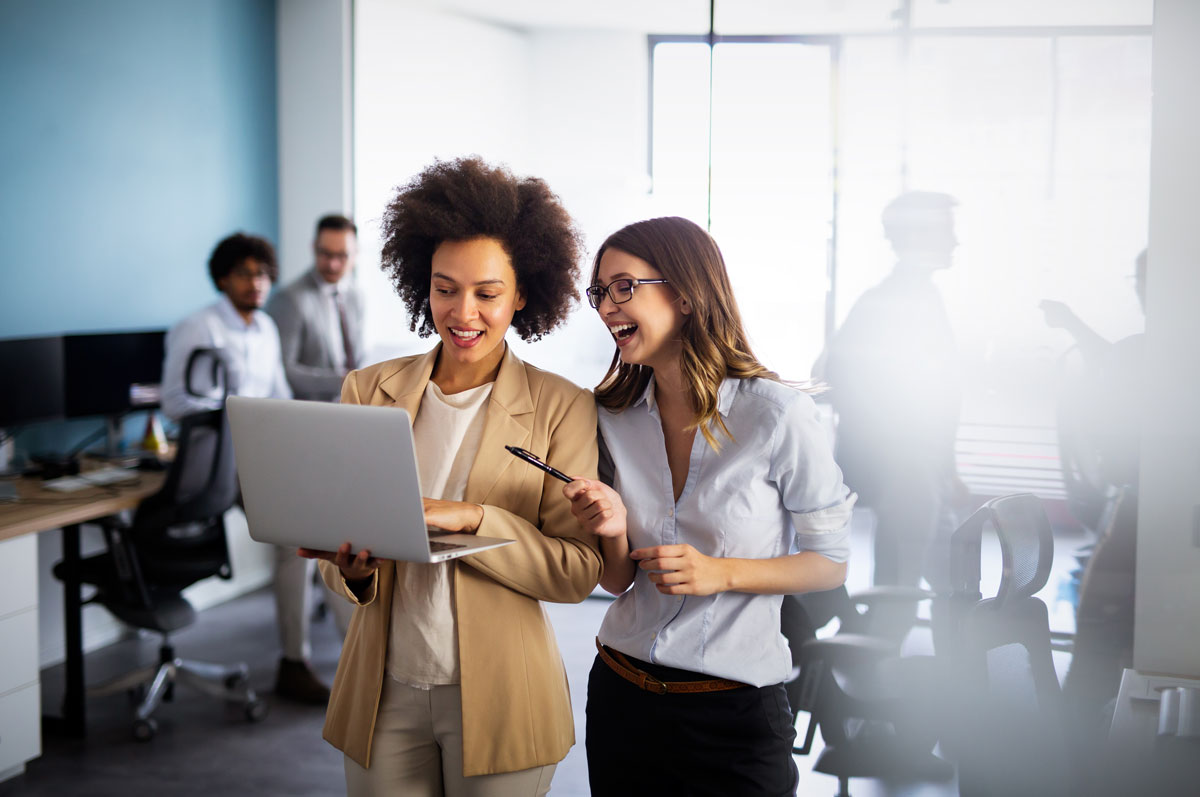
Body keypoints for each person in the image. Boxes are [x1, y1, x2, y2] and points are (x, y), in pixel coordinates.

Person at [298, 157, 602, 797]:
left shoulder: (561, 405)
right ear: (421, 285)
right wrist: (350, 570)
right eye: (444, 288)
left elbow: (577, 571)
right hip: (383, 693)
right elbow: (337, 547)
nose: (463, 312)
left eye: (487, 293)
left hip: (501, 693)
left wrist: (474, 518)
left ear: (522, 295)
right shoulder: (368, 389)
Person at [564, 216, 854, 796]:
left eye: (625, 287)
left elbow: (831, 563)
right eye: (600, 292)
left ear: (686, 294)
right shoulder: (611, 418)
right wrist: (614, 530)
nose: (606, 307)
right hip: (622, 699)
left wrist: (720, 572)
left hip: (734, 715)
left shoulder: (776, 416)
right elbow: (620, 580)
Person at [160, 232, 333, 705]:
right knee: (296, 540)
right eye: (244, 273)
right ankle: (294, 664)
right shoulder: (198, 328)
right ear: (223, 278)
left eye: (261, 273)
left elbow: (278, 393)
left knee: (326, 531)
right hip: (220, 458)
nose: (256, 283)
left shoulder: (265, 330)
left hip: (264, 453)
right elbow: (174, 402)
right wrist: (234, 413)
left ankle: (359, 652)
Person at [816, 191, 963, 595]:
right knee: (904, 584)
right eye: (947, 231)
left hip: (919, 468)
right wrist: (906, 457)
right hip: (907, 467)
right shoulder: (892, 302)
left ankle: (881, 647)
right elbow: (838, 376)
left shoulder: (919, 296)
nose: (955, 241)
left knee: (940, 580)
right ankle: (871, 651)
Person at [267, 214, 366, 401]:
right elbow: (283, 371)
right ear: (313, 248)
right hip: (309, 414)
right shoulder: (289, 299)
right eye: (325, 254)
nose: (333, 264)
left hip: (353, 406)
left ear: (356, 254)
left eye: (342, 255)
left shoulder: (356, 296)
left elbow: (358, 356)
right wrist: (342, 381)